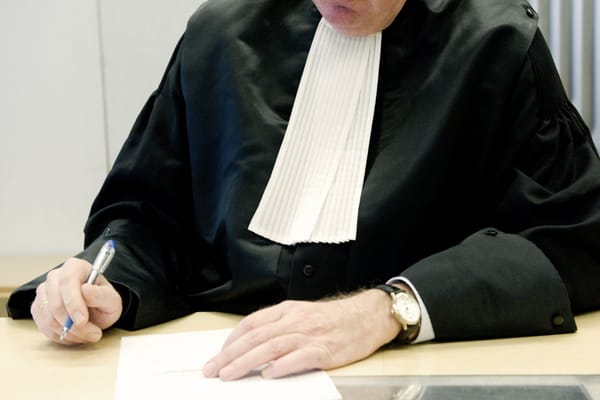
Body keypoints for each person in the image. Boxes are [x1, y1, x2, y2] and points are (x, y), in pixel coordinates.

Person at [7, 0, 600, 381]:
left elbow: (574, 240)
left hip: (414, 371)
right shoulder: (218, 34)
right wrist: (103, 279)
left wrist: (392, 308)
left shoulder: (498, 44)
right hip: (219, 373)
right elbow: (148, 217)